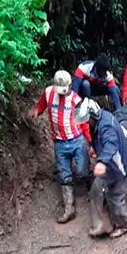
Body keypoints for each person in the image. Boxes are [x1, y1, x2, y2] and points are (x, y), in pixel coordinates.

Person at [28, 70, 92, 224]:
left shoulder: (76, 100)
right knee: (64, 175)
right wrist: (36, 110)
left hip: (77, 140)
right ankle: (69, 209)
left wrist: (91, 143)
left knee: (83, 171)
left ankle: (91, 186)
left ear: (70, 85)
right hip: (59, 142)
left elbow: (84, 124)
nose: (62, 93)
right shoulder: (48, 93)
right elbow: (41, 105)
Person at [79, 99, 127, 239]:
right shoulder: (98, 121)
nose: (86, 122)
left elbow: (111, 144)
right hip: (109, 165)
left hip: (119, 167)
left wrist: (102, 162)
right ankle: (101, 224)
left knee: (115, 196)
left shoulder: (106, 125)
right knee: (95, 190)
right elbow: (98, 138)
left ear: (93, 115)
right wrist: (94, 146)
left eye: (87, 119)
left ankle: (124, 225)